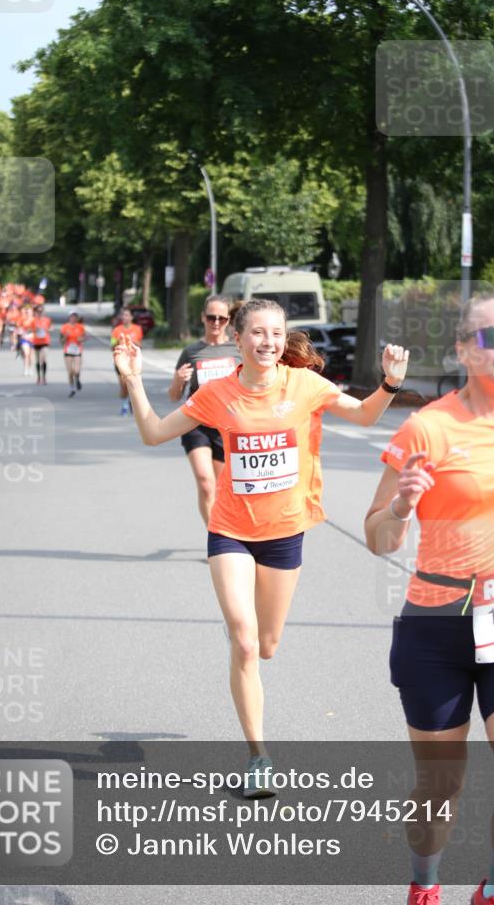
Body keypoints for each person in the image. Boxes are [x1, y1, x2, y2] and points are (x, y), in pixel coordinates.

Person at [114, 297, 409, 796]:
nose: (268, 342)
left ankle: (246, 644)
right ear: (238, 338)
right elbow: (154, 433)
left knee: (267, 646)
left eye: (276, 333)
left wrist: (390, 383)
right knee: (246, 643)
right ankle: (259, 756)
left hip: (284, 533)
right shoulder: (217, 393)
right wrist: (134, 379)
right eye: (257, 332)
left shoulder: (304, 385)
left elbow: (363, 416)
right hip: (230, 530)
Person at [364, 295, 494, 905]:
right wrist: (401, 505)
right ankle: (425, 884)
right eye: (493, 335)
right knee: (440, 787)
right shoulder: (429, 428)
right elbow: (377, 536)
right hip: (438, 624)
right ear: (462, 349)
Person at [168, 295, 240, 526]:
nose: (216, 323)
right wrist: (178, 380)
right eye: (211, 317)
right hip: (196, 423)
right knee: (205, 482)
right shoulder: (191, 351)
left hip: (226, 426)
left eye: (221, 318)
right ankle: (214, 536)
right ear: (203, 318)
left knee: (222, 487)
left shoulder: (237, 349)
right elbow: (174, 396)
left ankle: (226, 530)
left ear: (228, 320)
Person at [111, 307, 144, 415]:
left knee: (131, 383)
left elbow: (140, 346)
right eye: (123, 315)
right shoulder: (117, 330)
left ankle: (127, 404)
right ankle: (126, 401)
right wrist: (118, 342)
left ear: (131, 317)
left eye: (126, 315)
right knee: (124, 385)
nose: (124, 317)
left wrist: (134, 341)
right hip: (120, 361)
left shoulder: (137, 329)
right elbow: (112, 346)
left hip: (132, 361)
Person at [60, 311, 86, 397]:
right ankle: (72, 388)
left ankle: (77, 379)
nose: (73, 318)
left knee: (76, 370)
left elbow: (85, 337)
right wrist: (65, 337)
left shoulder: (80, 327)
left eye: (75, 316)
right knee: (70, 371)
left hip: (77, 350)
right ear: (69, 318)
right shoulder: (64, 327)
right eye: (72, 316)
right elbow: (61, 341)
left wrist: (81, 339)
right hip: (68, 351)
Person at [31, 304, 52, 385]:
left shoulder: (47, 320)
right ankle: (39, 377)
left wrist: (47, 329)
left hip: (45, 342)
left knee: (43, 359)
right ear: (35, 312)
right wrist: (35, 329)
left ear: (43, 312)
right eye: (38, 311)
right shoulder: (33, 321)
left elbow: (50, 328)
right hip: (36, 342)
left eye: (41, 311)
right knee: (37, 360)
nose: (40, 313)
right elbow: (31, 330)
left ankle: (44, 377)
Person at [18, 304, 35, 377]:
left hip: (33, 339)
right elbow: (19, 328)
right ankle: (25, 369)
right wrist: (21, 332)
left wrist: (31, 332)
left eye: (29, 311)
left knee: (31, 356)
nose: (28, 312)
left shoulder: (34, 320)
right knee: (26, 353)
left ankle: (30, 368)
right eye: (27, 311)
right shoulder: (22, 319)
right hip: (24, 339)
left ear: (32, 312)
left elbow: (37, 330)